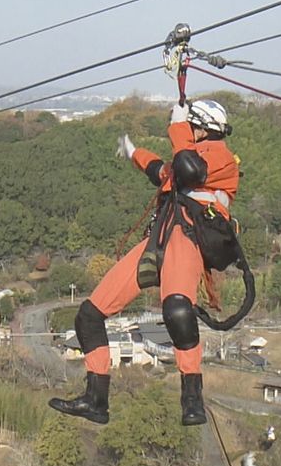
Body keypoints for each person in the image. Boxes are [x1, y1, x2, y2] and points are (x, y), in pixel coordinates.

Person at [50, 99, 240, 426]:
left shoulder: (219, 156)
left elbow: (188, 169)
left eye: (190, 127)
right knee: (89, 315)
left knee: (177, 310)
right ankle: (96, 398)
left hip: (187, 239)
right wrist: (133, 152)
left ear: (202, 128)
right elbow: (161, 171)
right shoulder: (186, 158)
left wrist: (177, 126)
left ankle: (192, 397)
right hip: (159, 242)